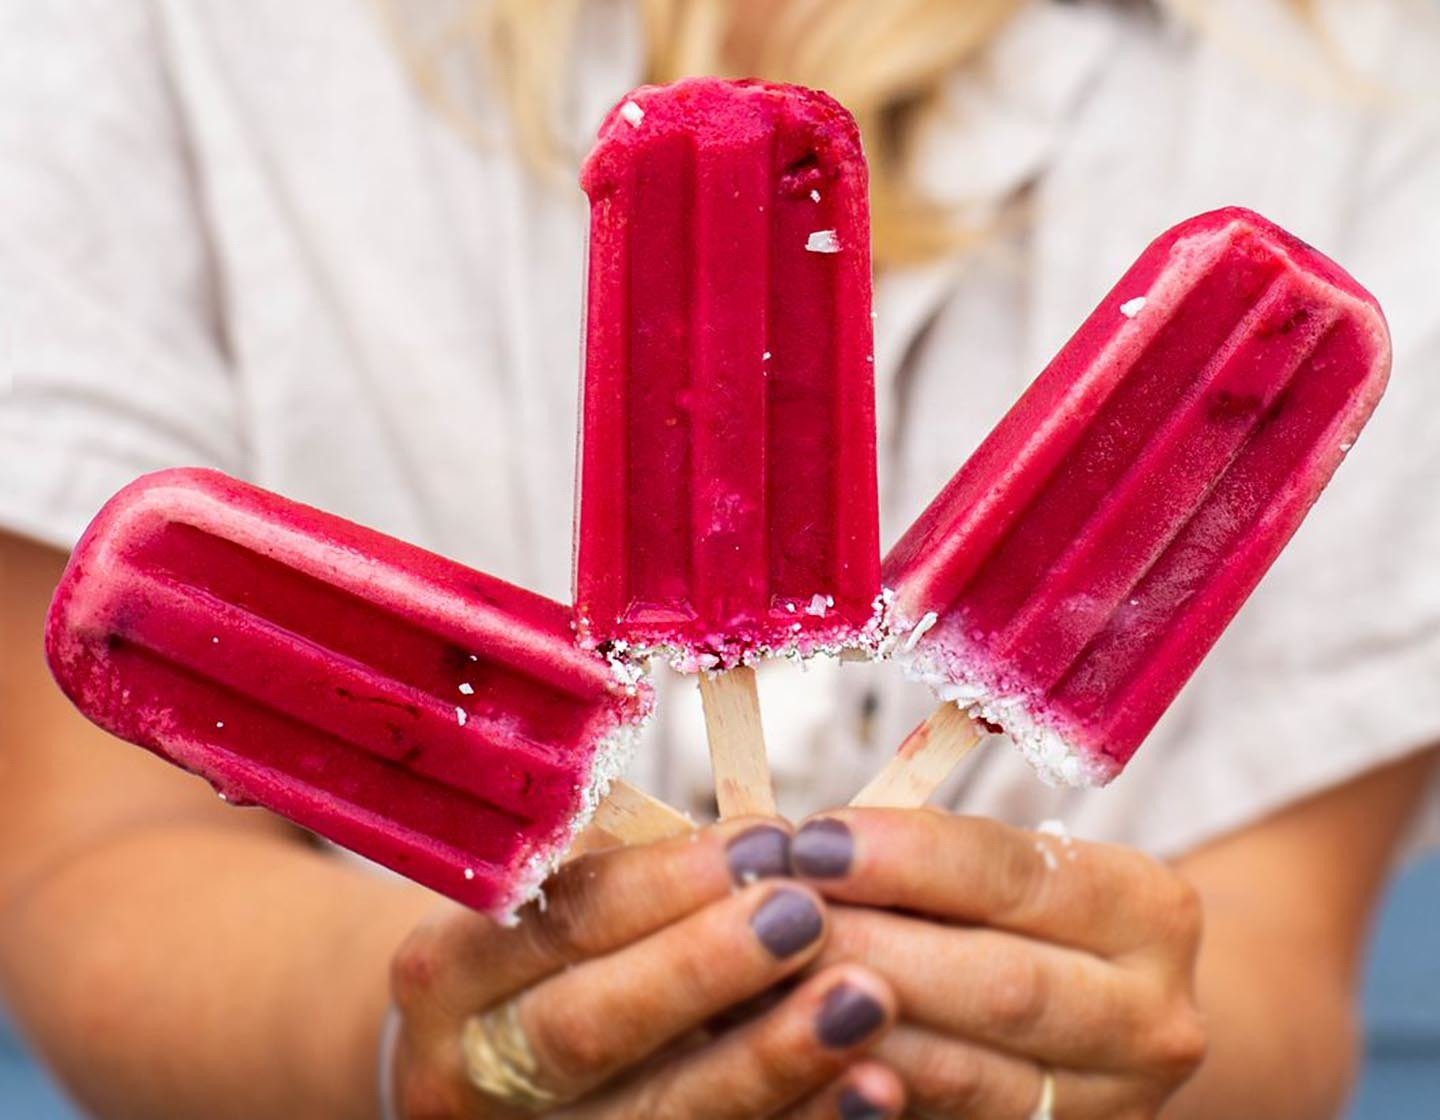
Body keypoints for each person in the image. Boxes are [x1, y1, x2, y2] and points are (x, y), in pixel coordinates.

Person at [3, 0, 1438, 1116]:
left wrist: (1081, 1038)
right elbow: (101, 861)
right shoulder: (154, 36)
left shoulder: (1374, 89)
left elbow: (1274, 961)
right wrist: (441, 1044)